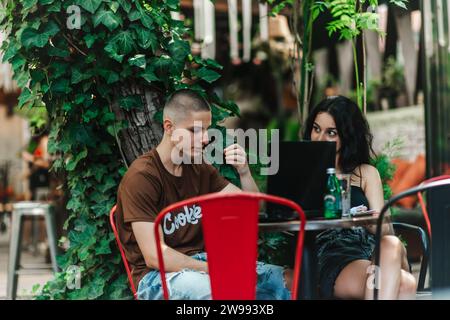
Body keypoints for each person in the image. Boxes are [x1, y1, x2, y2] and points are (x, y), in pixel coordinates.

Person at [115, 89, 292, 300]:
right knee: (222, 290)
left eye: (206, 130)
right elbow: (155, 257)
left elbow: (252, 209)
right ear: (169, 127)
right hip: (156, 277)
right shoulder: (142, 177)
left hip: (205, 263)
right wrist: (214, 268)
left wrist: (244, 171)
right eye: (195, 130)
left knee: (289, 280)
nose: (206, 138)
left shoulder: (198, 166)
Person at [303, 96, 416, 300]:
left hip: (371, 251)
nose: (319, 138)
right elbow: (274, 211)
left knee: (391, 243)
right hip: (332, 253)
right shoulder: (302, 172)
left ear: (347, 136)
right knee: (405, 284)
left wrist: (369, 222)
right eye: (316, 129)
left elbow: (386, 229)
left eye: (331, 133)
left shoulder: (366, 173)